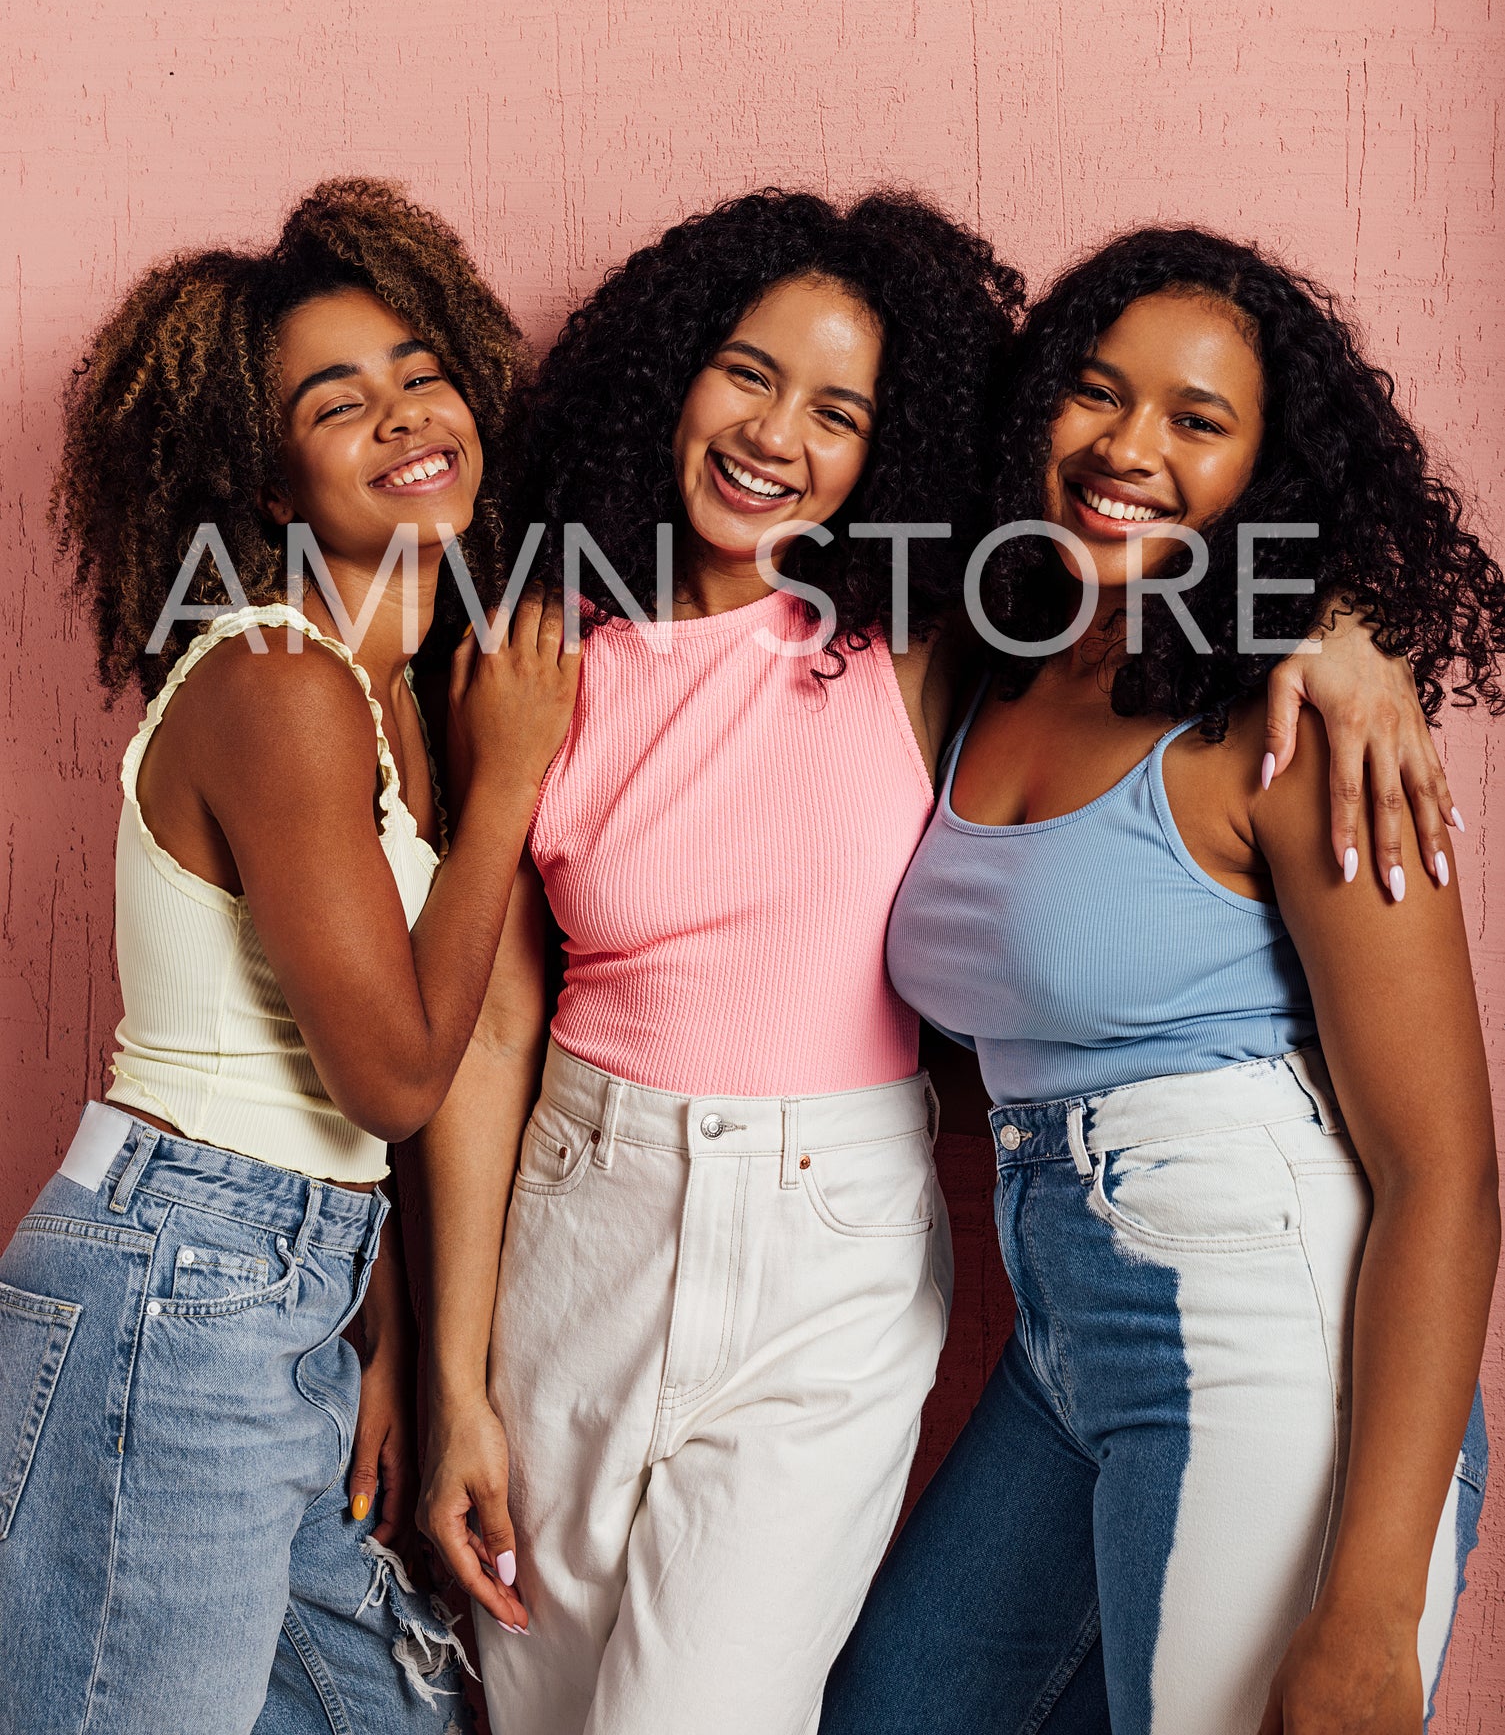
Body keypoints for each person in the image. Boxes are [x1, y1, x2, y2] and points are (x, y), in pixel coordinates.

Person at [412, 190, 1457, 1735]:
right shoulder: (566, 652)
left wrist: (1342, 629)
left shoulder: (932, 635)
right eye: (747, 373)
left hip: (952, 1250)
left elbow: (1446, 1167)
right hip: (673, 1234)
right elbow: (484, 1034)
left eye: (840, 411)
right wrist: (439, 1380)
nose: (778, 434)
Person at [821, 225, 1503, 1735]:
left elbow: (1444, 1172)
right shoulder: (994, 657)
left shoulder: (1296, 727)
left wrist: (1371, 1606)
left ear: (1266, 470)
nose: (1124, 448)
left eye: (1195, 421)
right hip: (1067, 1316)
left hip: (1258, 1309)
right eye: (1092, 393)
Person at [0, 180, 578, 1735]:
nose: (403, 416)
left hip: (276, 1285)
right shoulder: (276, 679)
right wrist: (510, 784)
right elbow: (390, 1074)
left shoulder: (391, 695)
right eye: (340, 405)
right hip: (175, 1280)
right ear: (267, 484)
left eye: (417, 372)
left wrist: (378, 1318)